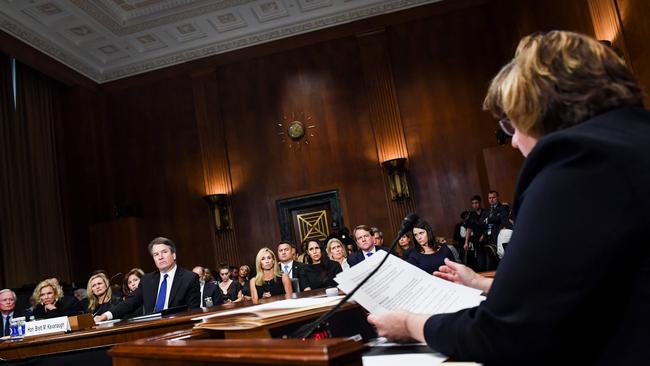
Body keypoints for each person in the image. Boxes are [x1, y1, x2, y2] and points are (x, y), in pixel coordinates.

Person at [368, 30, 649, 365]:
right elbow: (590, 281)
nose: (514, 143)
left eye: (513, 126)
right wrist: (481, 284)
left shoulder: (575, 163)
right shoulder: (635, 142)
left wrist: (411, 324)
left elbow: (502, 335)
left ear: (539, 108)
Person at [94, 237, 201, 321]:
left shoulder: (189, 278)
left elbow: (193, 312)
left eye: (164, 252)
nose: (160, 257)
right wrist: (106, 315)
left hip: (178, 329)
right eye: (156, 254)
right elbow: (130, 302)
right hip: (151, 329)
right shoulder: (147, 280)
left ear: (174, 255)